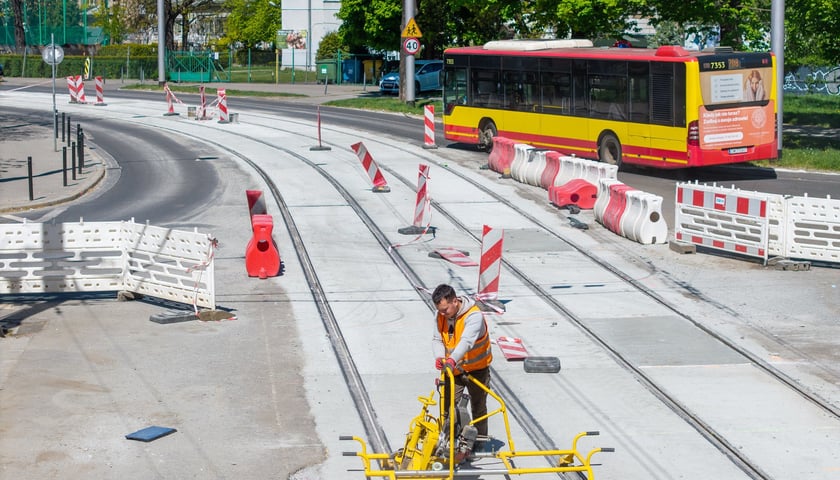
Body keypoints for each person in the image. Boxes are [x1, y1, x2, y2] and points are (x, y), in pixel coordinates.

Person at [431, 284, 493, 442]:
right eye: (440, 310)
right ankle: (447, 441)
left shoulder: (473, 315)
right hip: (454, 370)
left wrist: (451, 359)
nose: (443, 314)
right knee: (447, 406)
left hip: (477, 369)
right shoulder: (440, 315)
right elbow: (437, 339)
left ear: (454, 301)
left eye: (445, 309)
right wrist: (440, 357)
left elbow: (466, 341)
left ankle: (479, 442)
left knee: (478, 408)